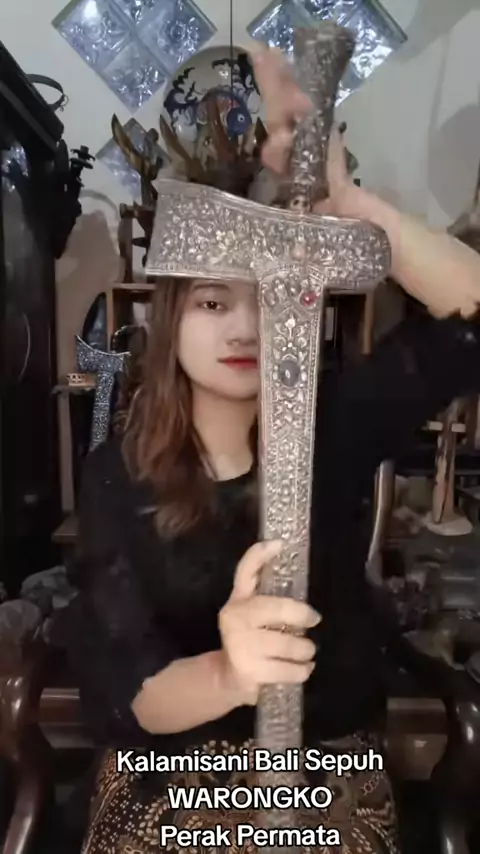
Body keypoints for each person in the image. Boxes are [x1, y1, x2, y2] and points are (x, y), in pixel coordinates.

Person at [62, 46, 480, 854]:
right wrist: (228, 673)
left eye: (269, 298)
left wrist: (349, 202)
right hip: (172, 767)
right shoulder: (119, 474)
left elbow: (472, 319)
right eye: (214, 301)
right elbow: (129, 685)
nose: (248, 327)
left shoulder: (341, 423)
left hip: (326, 762)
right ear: (168, 317)